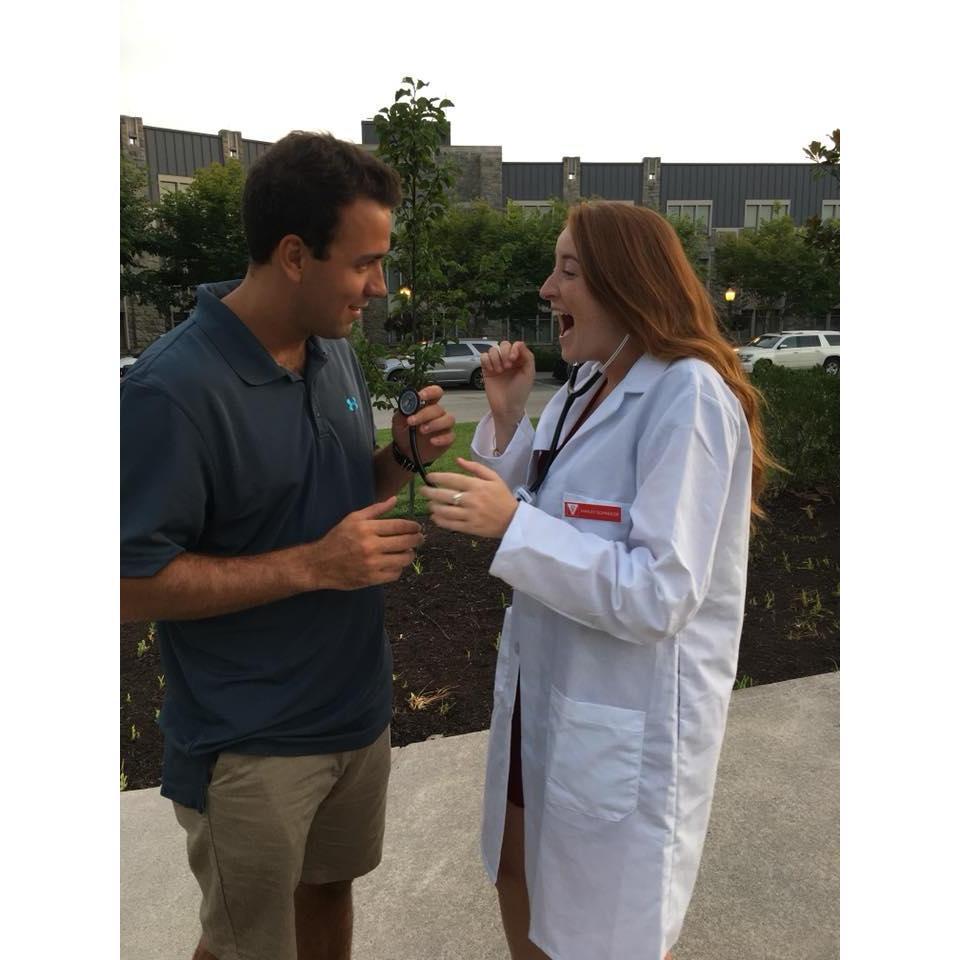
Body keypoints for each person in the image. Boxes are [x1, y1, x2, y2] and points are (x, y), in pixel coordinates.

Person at [120, 131, 456, 960]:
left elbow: (334, 497)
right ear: (295, 255)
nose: (379, 287)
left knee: (329, 891)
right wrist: (313, 567)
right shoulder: (171, 390)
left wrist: (398, 459)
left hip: (354, 709)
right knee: (245, 944)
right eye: (365, 263)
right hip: (249, 742)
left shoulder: (333, 352)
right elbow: (125, 585)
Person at [421, 201, 774, 960]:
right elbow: (553, 503)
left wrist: (512, 527)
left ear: (626, 283)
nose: (547, 289)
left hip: (623, 712)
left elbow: (661, 593)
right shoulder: (585, 388)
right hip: (545, 694)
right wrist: (508, 420)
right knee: (516, 873)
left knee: (600, 932)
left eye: (569, 271)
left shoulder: (687, 395)